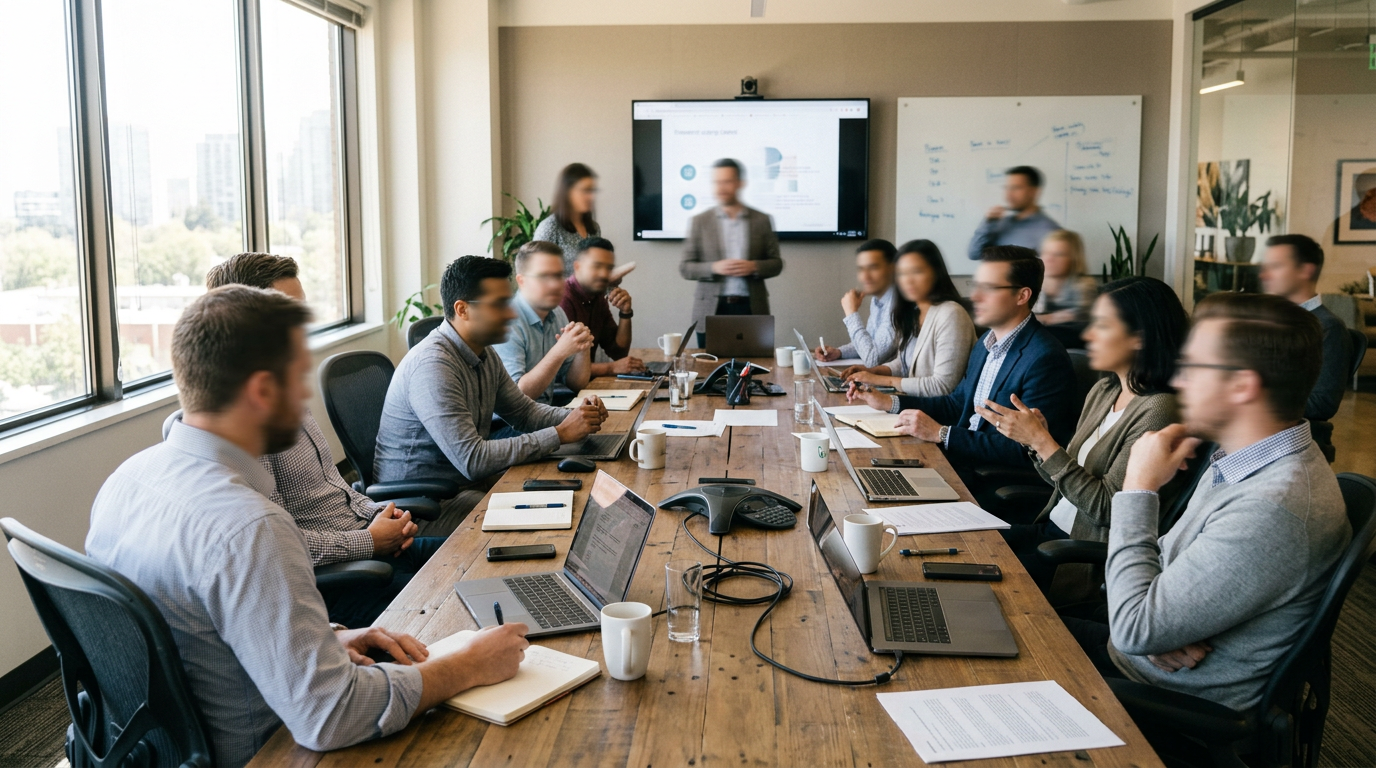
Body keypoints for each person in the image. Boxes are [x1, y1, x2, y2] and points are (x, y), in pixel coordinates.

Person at [85, 285, 530, 768]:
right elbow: (332, 714)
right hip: (270, 749)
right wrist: (463, 667)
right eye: (298, 379)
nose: (304, 397)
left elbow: (201, 626)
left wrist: (327, 633)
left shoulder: (125, 480)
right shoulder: (250, 525)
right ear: (261, 391)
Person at [1062, 292, 1350, 715]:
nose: (1178, 381)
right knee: (998, 620)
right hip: (1138, 663)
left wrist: (1139, 489)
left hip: (1155, 701)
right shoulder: (1238, 456)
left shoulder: (1272, 505)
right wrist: (1154, 627)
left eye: (1194, 366)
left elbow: (1135, 629)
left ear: (1242, 385)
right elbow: (1157, 588)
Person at [204, 252, 439, 628]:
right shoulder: (243, 421)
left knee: (485, 563)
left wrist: (381, 515)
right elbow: (279, 542)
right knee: (452, 609)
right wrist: (372, 542)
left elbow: (336, 489)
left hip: (370, 542)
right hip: (340, 579)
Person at [978, 277, 1189, 589]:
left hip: (1075, 554)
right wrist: (1035, 441)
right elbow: (1066, 481)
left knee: (967, 575)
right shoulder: (1105, 389)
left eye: (1101, 326)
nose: (1088, 335)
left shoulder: (1158, 411)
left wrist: (1042, 442)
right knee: (960, 545)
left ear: (1139, 338)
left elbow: (1109, 510)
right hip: (1050, 532)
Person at [375, 256, 607, 527]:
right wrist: (560, 433)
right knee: (544, 521)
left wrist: (576, 415)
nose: (511, 314)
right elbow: (473, 459)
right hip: (420, 510)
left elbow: (523, 412)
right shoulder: (433, 365)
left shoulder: (483, 352)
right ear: (462, 309)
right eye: (499, 305)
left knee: (568, 502)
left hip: (464, 487)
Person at [883, 246, 1078, 486]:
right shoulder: (985, 344)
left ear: (1022, 296)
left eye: (988, 288)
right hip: (955, 462)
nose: (975, 296)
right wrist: (889, 403)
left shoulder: (1045, 359)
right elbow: (956, 404)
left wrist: (941, 433)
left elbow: (1026, 449)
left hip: (986, 480)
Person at [839, 239, 975, 398]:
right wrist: (871, 371)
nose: (907, 280)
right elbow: (904, 364)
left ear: (936, 272)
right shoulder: (913, 311)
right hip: (914, 405)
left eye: (916, 271)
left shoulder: (951, 314)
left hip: (937, 415)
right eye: (902, 273)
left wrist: (881, 380)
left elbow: (942, 386)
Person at [1260, 233, 1352, 461]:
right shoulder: (1267, 321)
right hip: (1262, 430)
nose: (1265, 274)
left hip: (1294, 438)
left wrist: (1254, 398)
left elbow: (1323, 403)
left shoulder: (1328, 328)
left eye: (1276, 266)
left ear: (1306, 271)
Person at [680, 158, 784, 346]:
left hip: (751, 308)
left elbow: (777, 263)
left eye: (727, 181)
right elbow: (685, 268)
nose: (721, 187)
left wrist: (754, 266)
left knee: (754, 368)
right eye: (717, 182)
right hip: (711, 309)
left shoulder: (762, 220)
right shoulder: (700, 221)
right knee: (709, 369)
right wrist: (714, 267)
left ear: (740, 183)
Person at [495, 241, 594, 405]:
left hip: (542, 414)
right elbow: (515, 398)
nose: (555, 284)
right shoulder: (506, 321)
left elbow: (577, 383)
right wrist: (559, 351)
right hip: (507, 426)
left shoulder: (557, 312)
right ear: (521, 281)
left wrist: (583, 348)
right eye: (544, 276)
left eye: (559, 276)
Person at [560, 236, 645, 377]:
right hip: (563, 392)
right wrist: (611, 368)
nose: (604, 274)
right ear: (577, 266)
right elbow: (563, 368)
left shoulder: (597, 297)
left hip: (586, 388)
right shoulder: (563, 299)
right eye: (597, 266)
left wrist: (625, 312)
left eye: (609, 268)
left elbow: (618, 352)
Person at [814, 239, 900, 368]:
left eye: (873, 268)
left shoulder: (898, 304)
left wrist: (851, 314)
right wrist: (839, 352)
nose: (865, 276)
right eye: (861, 269)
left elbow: (873, 359)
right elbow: (870, 343)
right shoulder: (878, 299)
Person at [967, 166, 1061, 261]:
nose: (1008, 195)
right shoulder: (999, 223)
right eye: (1007, 188)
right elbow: (974, 254)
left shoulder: (1050, 232)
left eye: (1016, 188)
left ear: (1034, 191)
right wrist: (987, 223)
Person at [1034, 229, 1098, 349]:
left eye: (1058, 254)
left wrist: (1043, 319)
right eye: (1045, 253)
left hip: (1072, 348)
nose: (1049, 259)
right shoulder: (1034, 284)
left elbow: (1079, 318)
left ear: (1073, 259)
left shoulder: (1084, 285)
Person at [532, 162, 600, 272]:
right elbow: (538, 275)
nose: (591, 197)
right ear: (568, 193)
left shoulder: (594, 228)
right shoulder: (549, 228)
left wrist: (612, 287)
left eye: (592, 190)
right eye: (585, 190)